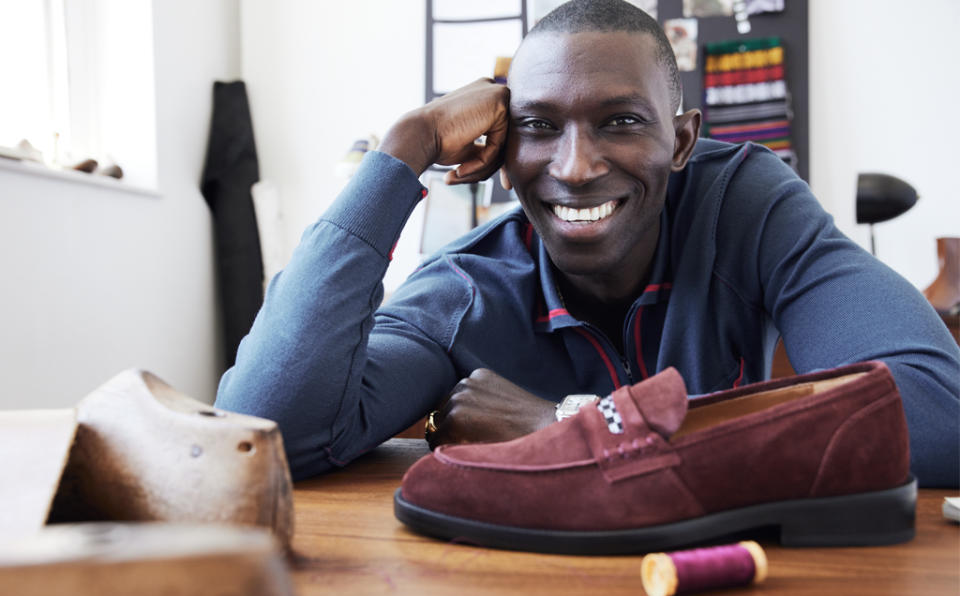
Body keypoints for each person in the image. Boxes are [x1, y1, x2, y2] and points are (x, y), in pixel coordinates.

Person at [215, 0, 959, 487]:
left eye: (622, 121)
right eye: (537, 126)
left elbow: (938, 416)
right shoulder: (466, 287)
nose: (574, 167)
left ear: (683, 140)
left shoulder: (746, 206)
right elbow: (267, 432)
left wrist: (574, 423)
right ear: (502, 153)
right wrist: (402, 151)